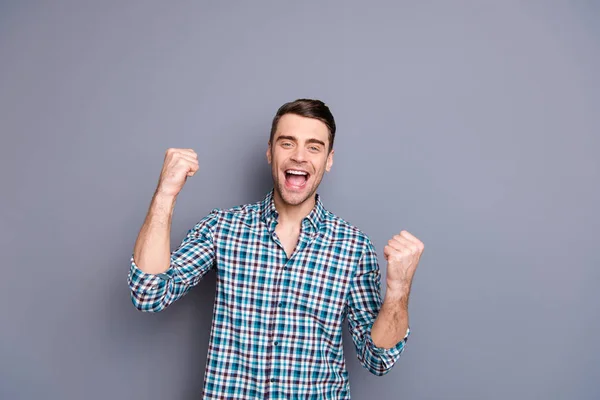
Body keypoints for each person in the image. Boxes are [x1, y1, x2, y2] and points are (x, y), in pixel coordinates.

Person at [127, 98, 425, 399]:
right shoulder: (223, 228)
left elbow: (378, 359)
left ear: (329, 159)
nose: (299, 156)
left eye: (313, 146)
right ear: (270, 152)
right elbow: (148, 292)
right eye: (287, 143)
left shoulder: (354, 247)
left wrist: (399, 290)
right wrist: (166, 192)